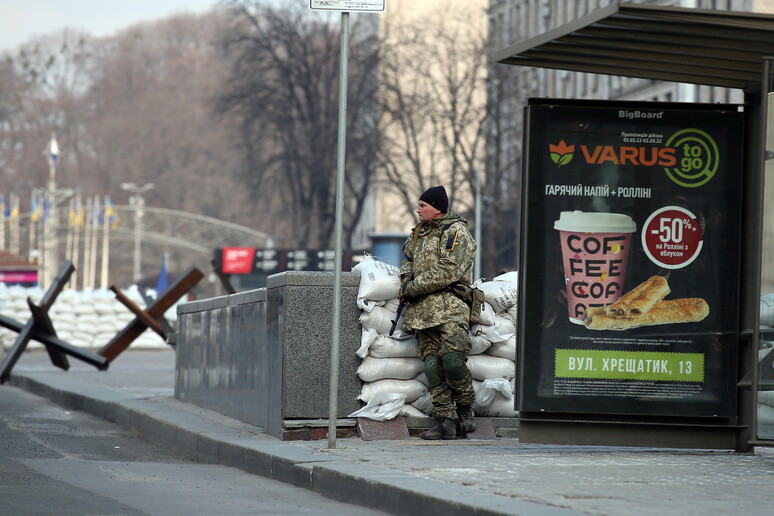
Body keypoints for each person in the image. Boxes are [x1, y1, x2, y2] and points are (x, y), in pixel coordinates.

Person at [399, 185, 477, 440]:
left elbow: (449, 270)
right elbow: (407, 259)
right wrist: (405, 279)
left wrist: (413, 287)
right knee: (432, 366)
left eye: (423, 206)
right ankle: (445, 420)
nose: (418, 210)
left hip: (451, 307)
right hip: (422, 312)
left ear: (438, 209)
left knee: (453, 361)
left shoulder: (455, 232)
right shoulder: (418, 234)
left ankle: (465, 409)